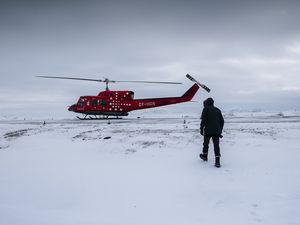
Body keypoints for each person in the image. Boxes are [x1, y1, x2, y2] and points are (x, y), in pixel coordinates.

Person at [200, 97, 224, 167]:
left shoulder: (205, 109)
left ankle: (205, 156)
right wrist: (220, 130)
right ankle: (217, 162)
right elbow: (222, 121)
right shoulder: (218, 110)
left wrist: (201, 129)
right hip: (216, 131)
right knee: (216, 146)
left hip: (207, 131)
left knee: (206, 144)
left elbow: (203, 120)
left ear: (207, 103)